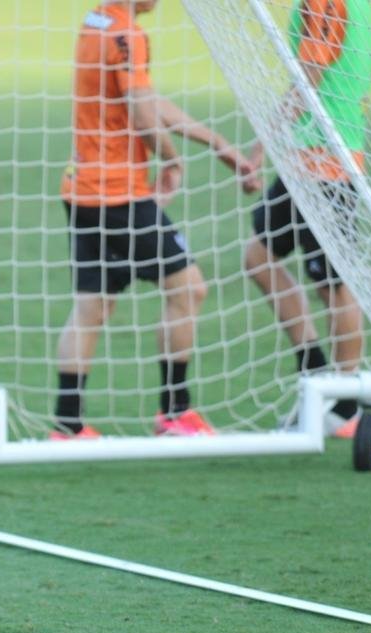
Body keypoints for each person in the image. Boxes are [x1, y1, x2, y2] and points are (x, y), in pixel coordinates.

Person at [54, 0, 261, 440]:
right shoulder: (127, 35)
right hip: (120, 195)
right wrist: (171, 158)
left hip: (81, 189)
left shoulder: (98, 20)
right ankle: (175, 413)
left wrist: (215, 142)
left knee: (92, 306)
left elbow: (146, 99)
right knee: (189, 288)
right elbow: (143, 113)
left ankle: (67, 425)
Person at [243, 0, 371, 439]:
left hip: (327, 163)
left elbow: (311, 74)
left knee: (334, 284)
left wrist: (267, 137)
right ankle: (319, 378)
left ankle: (345, 406)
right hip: (311, 160)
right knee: (260, 257)